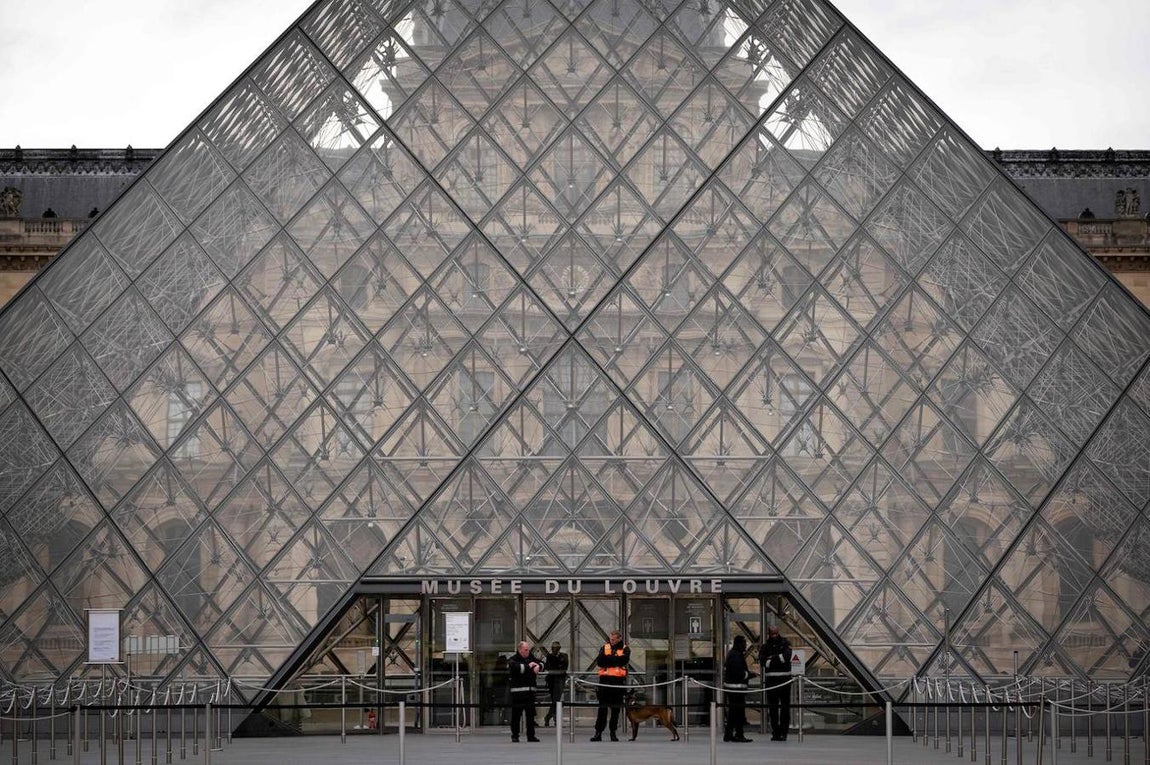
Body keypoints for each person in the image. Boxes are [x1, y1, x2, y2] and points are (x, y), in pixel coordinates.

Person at [590, 629, 629, 742]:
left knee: (615, 710)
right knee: (602, 708)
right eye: (611, 639)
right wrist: (614, 660)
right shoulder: (604, 647)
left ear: (619, 639)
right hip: (605, 682)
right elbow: (600, 662)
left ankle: (613, 732)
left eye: (614, 639)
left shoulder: (625, 649)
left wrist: (609, 659)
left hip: (618, 682)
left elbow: (623, 661)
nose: (612, 641)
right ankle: (598, 732)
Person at [759, 625, 793, 741]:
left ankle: (783, 732)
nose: (774, 635)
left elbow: (787, 657)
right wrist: (779, 658)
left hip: (784, 680)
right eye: (772, 633)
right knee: (773, 709)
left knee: (784, 708)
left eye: (775, 633)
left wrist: (771, 659)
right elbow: (763, 661)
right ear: (769, 633)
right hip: (772, 681)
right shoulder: (765, 646)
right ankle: (776, 732)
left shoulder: (785, 643)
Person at [508, 641, 542, 742]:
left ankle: (531, 736)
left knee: (530, 716)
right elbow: (517, 668)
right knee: (516, 716)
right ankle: (515, 735)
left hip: (530, 693)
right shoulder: (513, 659)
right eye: (526, 650)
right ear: (520, 650)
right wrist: (529, 666)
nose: (527, 652)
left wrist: (538, 666)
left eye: (528, 650)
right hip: (518, 693)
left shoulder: (531, 657)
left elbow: (542, 663)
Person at [723, 634, 754, 742]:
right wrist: (749, 675)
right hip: (736, 689)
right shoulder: (736, 656)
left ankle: (729, 734)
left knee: (733, 713)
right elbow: (738, 673)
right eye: (744, 643)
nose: (745, 646)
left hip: (734, 689)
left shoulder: (734, 654)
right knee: (738, 713)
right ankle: (738, 734)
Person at [542, 641, 568, 727]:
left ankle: (550, 717)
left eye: (556, 648)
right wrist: (557, 664)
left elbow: (564, 666)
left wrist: (556, 664)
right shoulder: (550, 656)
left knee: (556, 700)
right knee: (555, 700)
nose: (554, 649)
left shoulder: (564, 656)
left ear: (559, 648)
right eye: (553, 648)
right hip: (552, 680)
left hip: (560, 679)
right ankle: (553, 718)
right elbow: (548, 667)